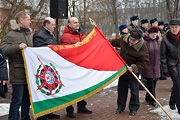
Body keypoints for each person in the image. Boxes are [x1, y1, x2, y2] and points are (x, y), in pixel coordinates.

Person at [1, 11, 33, 120]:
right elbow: (3, 51)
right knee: (17, 101)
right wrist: (17, 47)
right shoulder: (11, 34)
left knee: (27, 99)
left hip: (28, 73)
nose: (30, 22)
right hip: (18, 73)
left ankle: (25, 118)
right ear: (21, 20)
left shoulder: (28, 33)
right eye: (28, 19)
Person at [110, 28, 149, 116]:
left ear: (139, 40)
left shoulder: (142, 48)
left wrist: (134, 67)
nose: (131, 41)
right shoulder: (124, 39)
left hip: (133, 73)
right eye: (130, 39)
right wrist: (105, 40)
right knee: (121, 90)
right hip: (123, 71)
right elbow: (114, 42)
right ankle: (120, 107)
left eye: (134, 41)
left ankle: (133, 108)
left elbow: (144, 61)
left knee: (134, 92)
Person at [60, 17, 92, 118]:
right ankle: (70, 109)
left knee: (81, 86)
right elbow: (64, 51)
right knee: (70, 88)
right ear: (69, 24)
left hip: (81, 64)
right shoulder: (65, 36)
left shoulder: (82, 33)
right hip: (71, 65)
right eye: (74, 23)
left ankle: (81, 106)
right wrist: (75, 46)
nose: (77, 24)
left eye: (77, 22)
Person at [33, 17, 60, 120]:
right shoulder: (39, 35)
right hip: (43, 69)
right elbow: (37, 51)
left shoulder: (51, 34)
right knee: (43, 91)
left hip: (50, 67)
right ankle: (41, 115)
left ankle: (49, 111)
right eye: (53, 24)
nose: (54, 26)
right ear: (46, 24)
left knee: (50, 90)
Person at [160, 19, 180, 114]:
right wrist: (165, 70)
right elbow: (163, 56)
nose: (174, 29)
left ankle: (172, 102)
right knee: (178, 85)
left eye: (176, 27)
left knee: (178, 86)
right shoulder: (165, 39)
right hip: (172, 65)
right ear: (169, 28)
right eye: (172, 27)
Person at [142, 26, 161, 106]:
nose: (154, 35)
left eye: (155, 34)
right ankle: (153, 100)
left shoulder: (158, 41)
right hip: (148, 65)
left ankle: (148, 97)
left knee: (154, 82)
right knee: (150, 83)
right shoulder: (145, 41)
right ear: (149, 34)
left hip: (156, 65)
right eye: (152, 34)